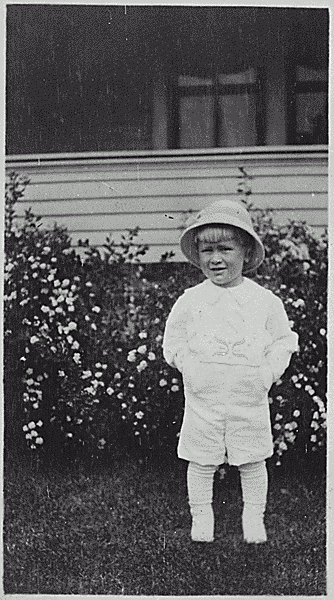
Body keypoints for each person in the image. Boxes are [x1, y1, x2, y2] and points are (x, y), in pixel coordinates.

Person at [163, 199, 299, 544]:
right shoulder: (191, 300)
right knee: (201, 459)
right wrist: (188, 365)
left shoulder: (264, 301)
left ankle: (253, 519)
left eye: (225, 248)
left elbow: (283, 340)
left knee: (252, 458)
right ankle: (202, 518)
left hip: (247, 394)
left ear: (246, 250)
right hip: (203, 395)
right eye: (207, 250)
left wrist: (267, 373)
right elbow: (173, 339)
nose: (215, 258)